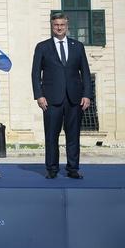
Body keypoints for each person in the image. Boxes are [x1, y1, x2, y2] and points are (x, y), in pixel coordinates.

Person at [32, 12, 92, 179]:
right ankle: (52, 169)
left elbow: (85, 73)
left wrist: (87, 95)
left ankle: (73, 169)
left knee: (73, 136)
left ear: (67, 26)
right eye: (56, 25)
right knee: (51, 136)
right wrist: (39, 96)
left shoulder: (78, 46)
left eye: (62, 25)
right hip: (51, 100)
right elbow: (35, 74)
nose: (59, 27)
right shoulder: (42, 47)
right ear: (52, 26)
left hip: (75, 99)